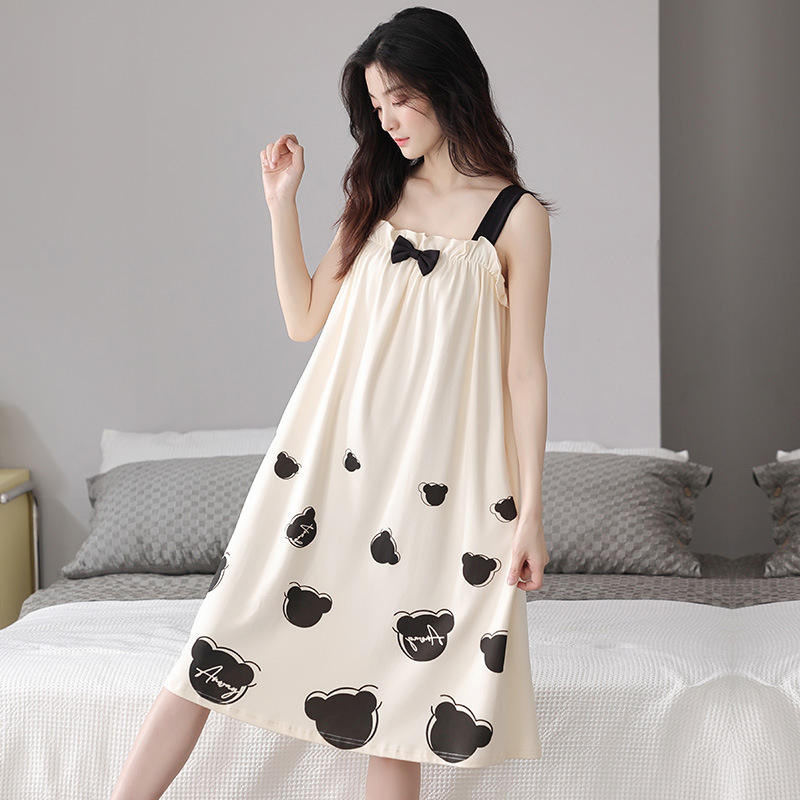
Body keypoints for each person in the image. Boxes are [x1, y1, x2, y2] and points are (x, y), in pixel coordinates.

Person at [110, 6, 554, 800]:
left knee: (401, 700)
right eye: (377, 106)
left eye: (400, 99)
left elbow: (525, 373)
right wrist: (281, 201)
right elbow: (303, 317)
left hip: (438, 489)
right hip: (329, 465)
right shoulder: (379, 194)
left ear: (450, 88)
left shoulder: (516, 219)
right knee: (215, 638)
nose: (388, 121)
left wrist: (530, 515)